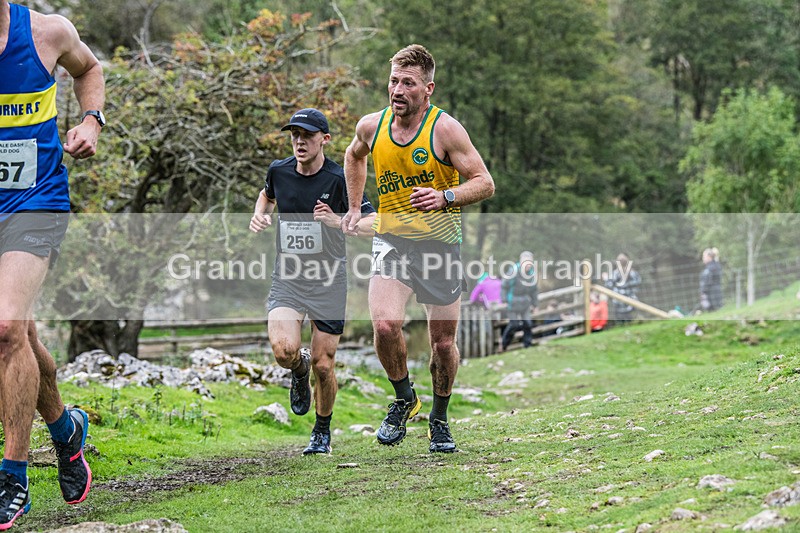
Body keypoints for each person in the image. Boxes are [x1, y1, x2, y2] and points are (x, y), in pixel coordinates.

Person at [341, 44, 494, 453]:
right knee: (386, 325)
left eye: (408, 83)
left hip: (440, 245)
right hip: (391, 240)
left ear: (428, 88)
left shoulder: (445, 130)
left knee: (443, 343)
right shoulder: (372, 127)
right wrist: (355, 207)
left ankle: (440, 419)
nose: (397, 89)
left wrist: (445, 197)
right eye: (393, 81)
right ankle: (404, 397)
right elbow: (353, 156)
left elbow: (484, 181)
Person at [0, 1, 104, 528]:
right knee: (20, 337)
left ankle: (12, 476)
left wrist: (91, 119)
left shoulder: (46, 31)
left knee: (4, 329)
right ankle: (65, 431)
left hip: (33, 200)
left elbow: (89, 69)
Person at [250, 108, 376, 456]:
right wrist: (261, 214)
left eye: (307, 135)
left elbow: (372, 223)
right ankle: (297, 367)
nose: (299, 141)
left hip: (328, 282)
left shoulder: (340, 178)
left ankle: (321, 431)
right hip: (288, 278)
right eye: (294, 134)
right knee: (283, 351)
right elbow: (267, 195)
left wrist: (336, 221)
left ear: (325, 139)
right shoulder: (279, 169)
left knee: (325, 364)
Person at [500, 251, 538, 350]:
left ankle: (527, 345)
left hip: (525, 301)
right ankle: (504, 344)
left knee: (528, 323)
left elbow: (534, 290)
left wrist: (535, 304)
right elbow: (504, 286)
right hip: (512, 301)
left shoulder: (532, 274)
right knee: (514, 324)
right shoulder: (513, 271)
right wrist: (504, 300)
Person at [604, 252, 641, 323]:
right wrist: (606, 279)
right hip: (618, 303)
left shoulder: (632, 273)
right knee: (620, 322)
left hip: (631, 302)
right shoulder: (614, 274)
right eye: (619, 260)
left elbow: (637, 283)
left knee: (632, 321)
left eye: (622, 260)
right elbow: (608, 285)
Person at [699, 247, 723, 312]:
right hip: (712, 293)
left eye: (704, 256)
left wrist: (703, 292)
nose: (703, 258)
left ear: (709, 257)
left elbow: (707, 281)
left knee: (714, 311)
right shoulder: (713, 266)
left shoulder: (712, 267)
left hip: (713, 295)